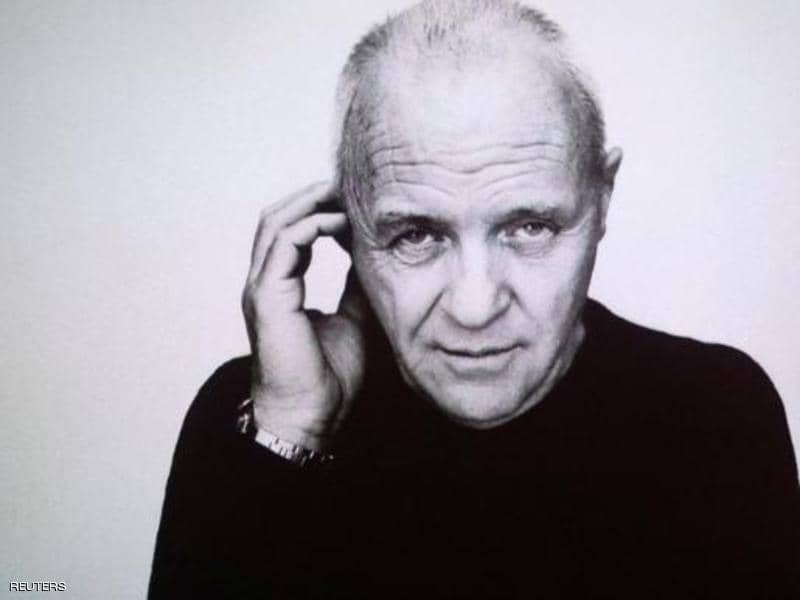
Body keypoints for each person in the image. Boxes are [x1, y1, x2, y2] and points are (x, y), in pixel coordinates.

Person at [149, 1, 798, 597]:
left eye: (530, 227)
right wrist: (291, 429)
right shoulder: (254, 415)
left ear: (602, 200)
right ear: (348, 225)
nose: (475, 307)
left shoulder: (716, 415)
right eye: (416, 234)